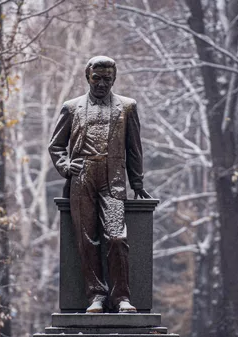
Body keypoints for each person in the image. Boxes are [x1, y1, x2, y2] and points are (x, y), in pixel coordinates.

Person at [49, 56, 152, 313]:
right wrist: (64, 166)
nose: (102, 84)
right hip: (82, 178)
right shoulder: (72, 107)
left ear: (114, 79)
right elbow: (56, 145)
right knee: (87, 239)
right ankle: (96, 295)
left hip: (113, 179)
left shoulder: (127, 107)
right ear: (88, 77)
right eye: (97, 78)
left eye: (107, 79)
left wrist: (137, 182)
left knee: (117, 238)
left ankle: (121, 298)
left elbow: (134, 148)